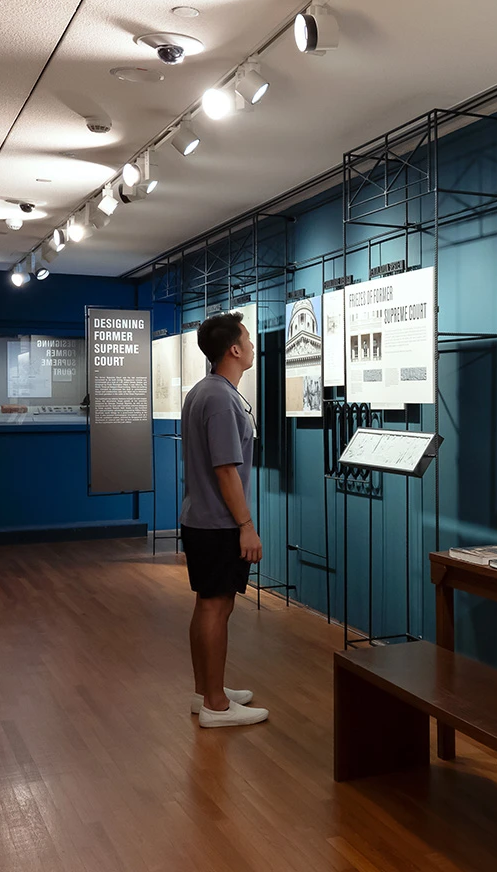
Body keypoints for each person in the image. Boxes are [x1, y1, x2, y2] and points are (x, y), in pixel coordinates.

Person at [179, 312, 268, 728]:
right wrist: (246, 525)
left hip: (202, 518)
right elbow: (226, 469)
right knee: (216, 607)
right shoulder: (219, 398)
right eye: (247, 339)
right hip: (217, 524)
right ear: (233, 349)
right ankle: (216, 704)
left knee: (210, 606)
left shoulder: (205, 391)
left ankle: (207, 690)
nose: (251, 345)